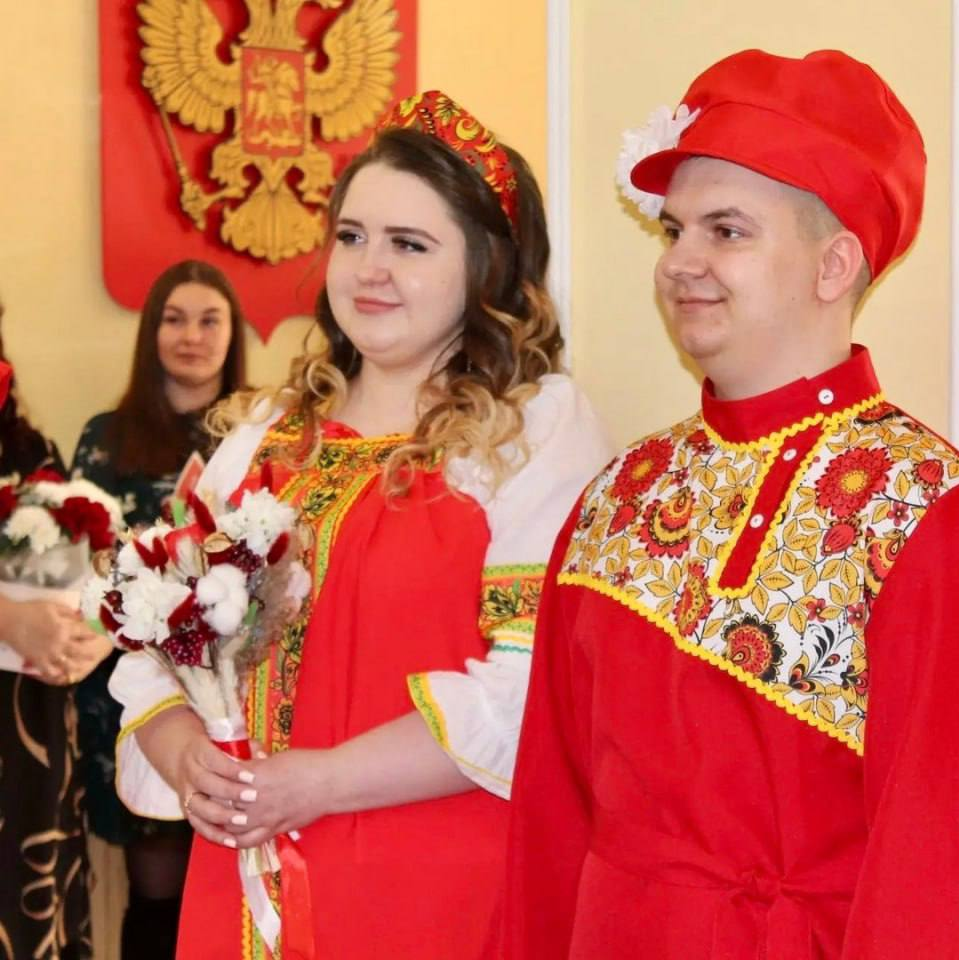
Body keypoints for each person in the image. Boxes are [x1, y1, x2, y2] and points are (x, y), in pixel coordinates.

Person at [502, 49, 959, 959]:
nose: (681, 262)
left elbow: (935, 881)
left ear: (834, 265)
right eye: (674, 231)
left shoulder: (931, 515)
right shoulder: (618, 497)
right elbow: (548, 828)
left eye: (727, 231)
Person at [108, 90, 612, 959]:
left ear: (487, 269)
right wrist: (185, 753)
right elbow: (154, 641)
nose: (368, 268)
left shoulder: (532, 429)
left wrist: (322, 782)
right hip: (241, 881)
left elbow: (533, 689)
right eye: (352, 236)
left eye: (410, 244)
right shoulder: (263, 434)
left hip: (430, 890)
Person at [71, 259, 248, 958]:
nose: (192, 336)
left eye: (209, 320)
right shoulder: (106, 435)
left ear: (233, 335)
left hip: (237, 687)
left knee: (233, 882)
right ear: (150, 333)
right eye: (174, 319)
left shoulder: (260, 431)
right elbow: (85, 565)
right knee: (157, 893)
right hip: (131, 692)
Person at [0, 303, 110, 958]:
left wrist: (91, 633)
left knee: (26, 904)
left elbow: (84, 566)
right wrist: (10, 619)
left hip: (30, 726)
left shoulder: (29, 450)